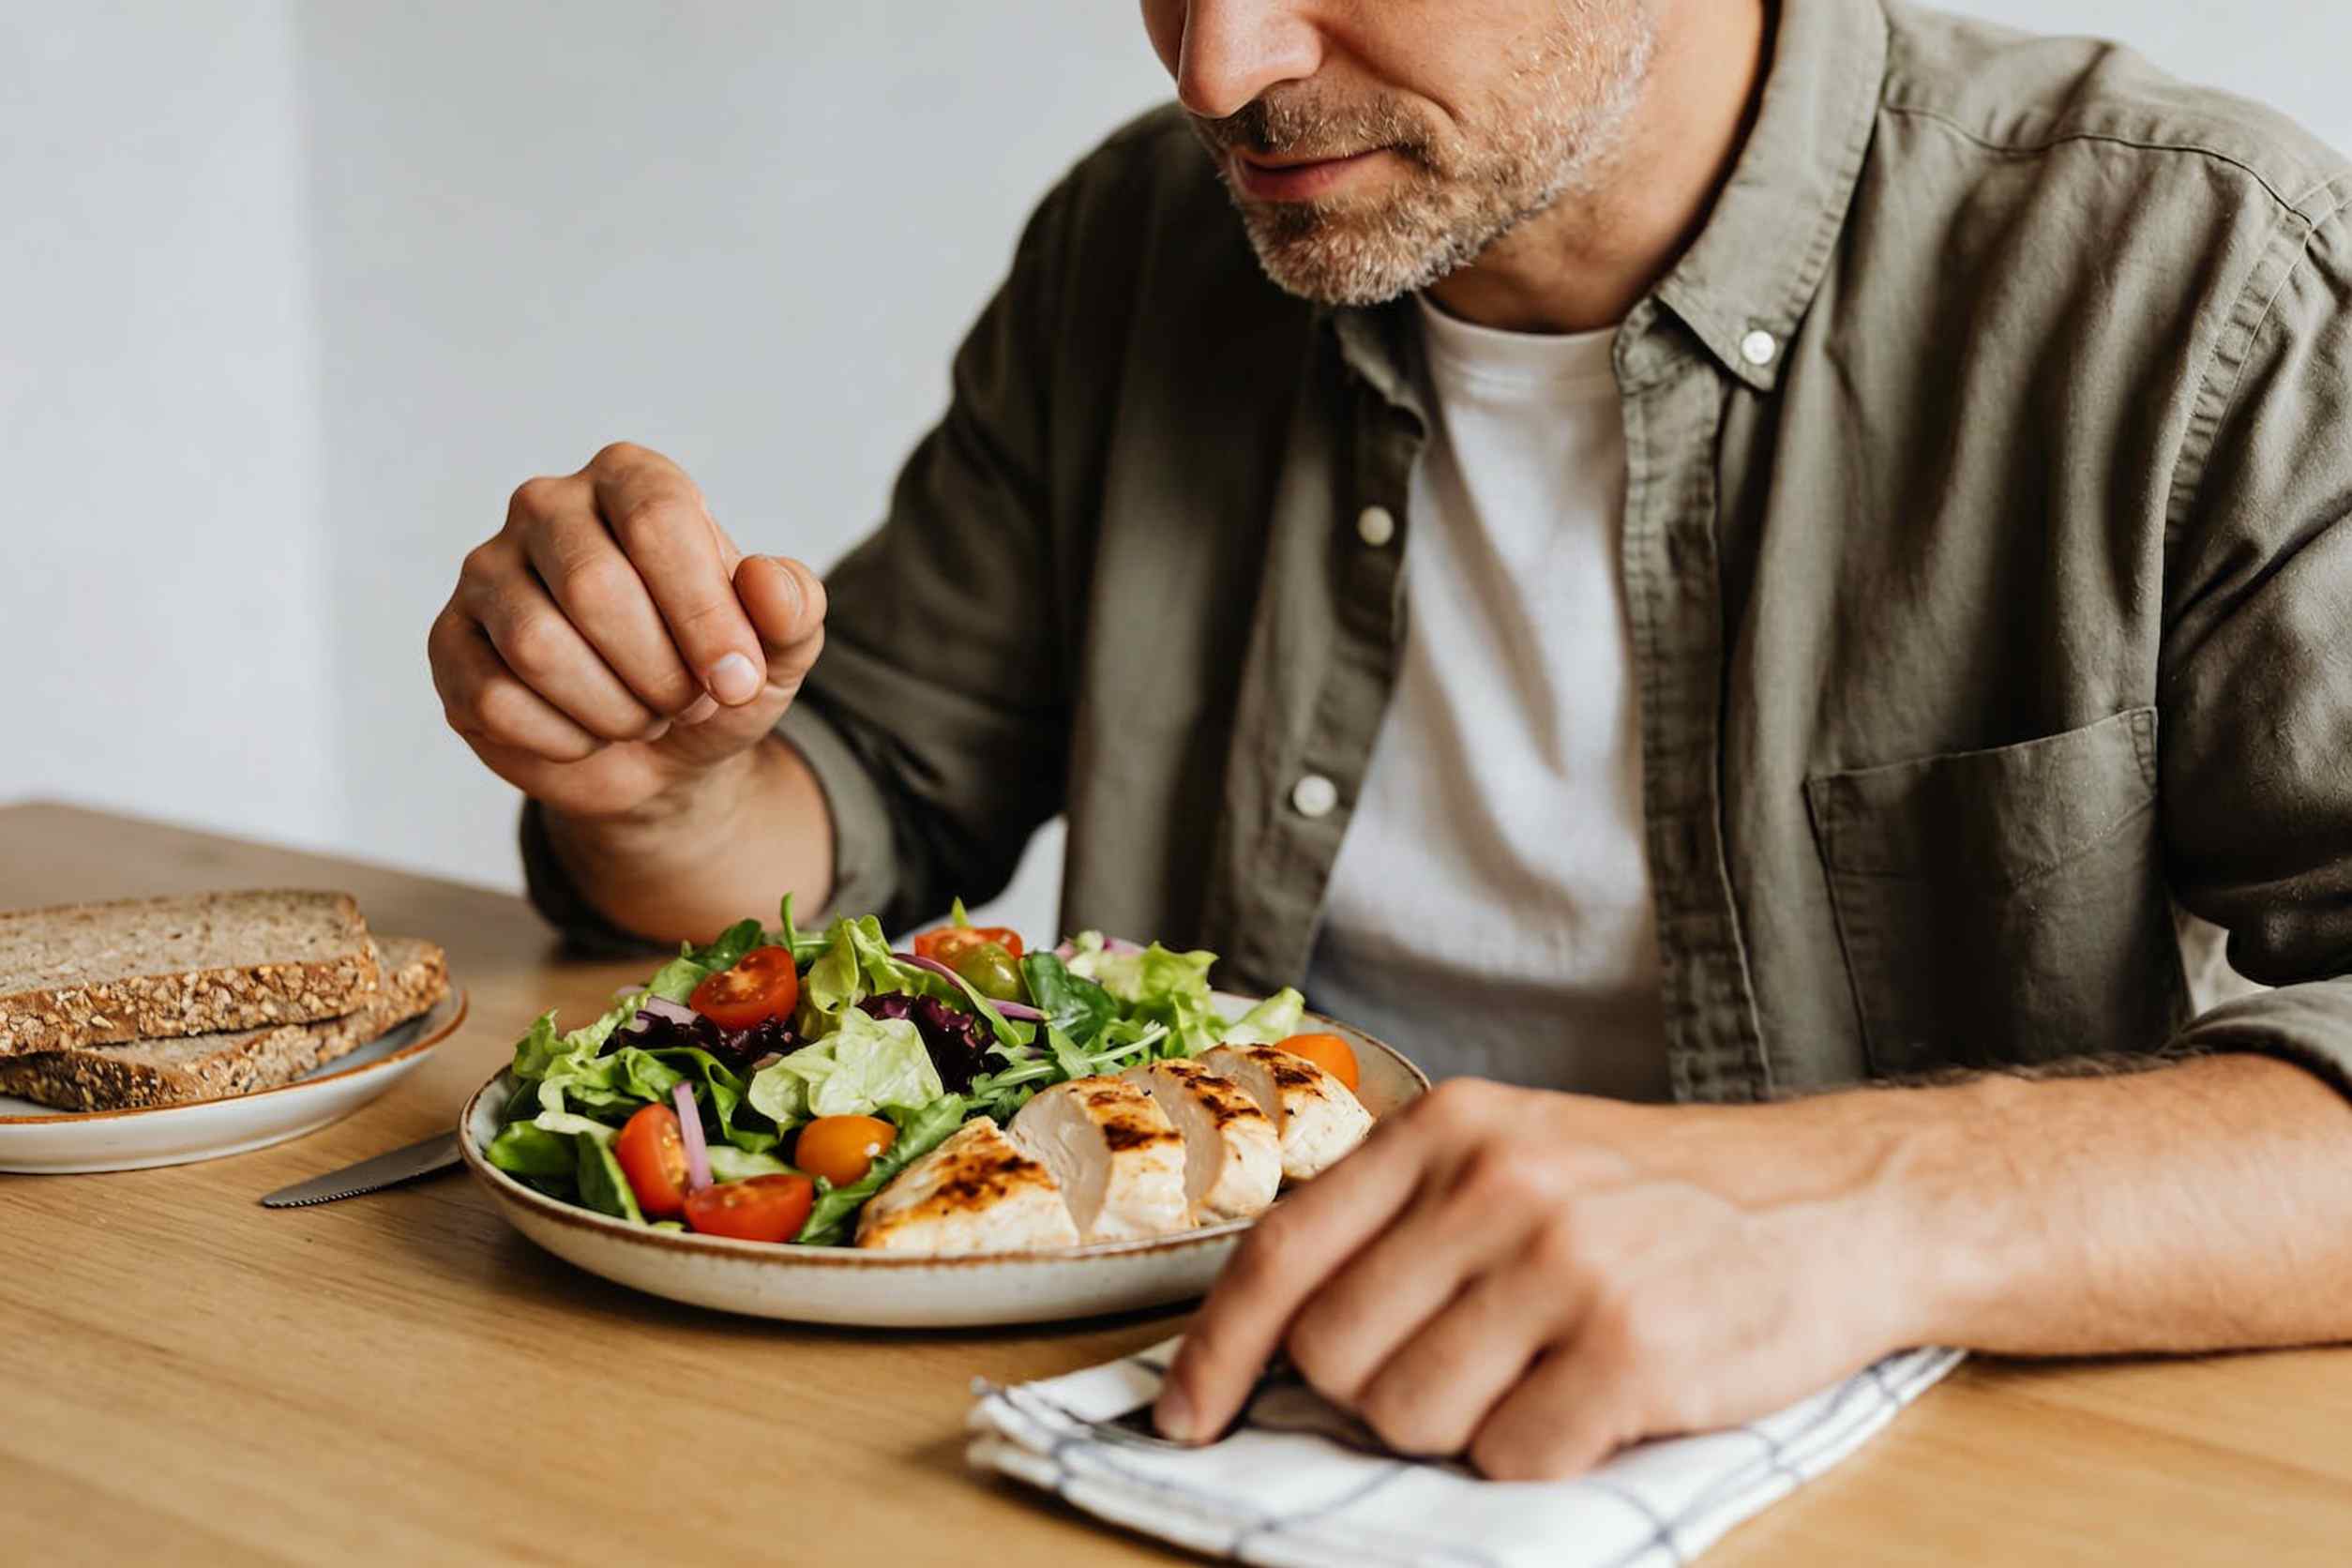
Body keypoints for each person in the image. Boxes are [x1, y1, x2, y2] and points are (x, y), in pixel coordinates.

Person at [428, 0, 2352, 1479]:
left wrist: (1844, 1214)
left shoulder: (2198, 283)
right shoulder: (1137, 250)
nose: (1219, 68)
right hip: (1190, 1435)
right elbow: (851, 821)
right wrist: (666, 785)